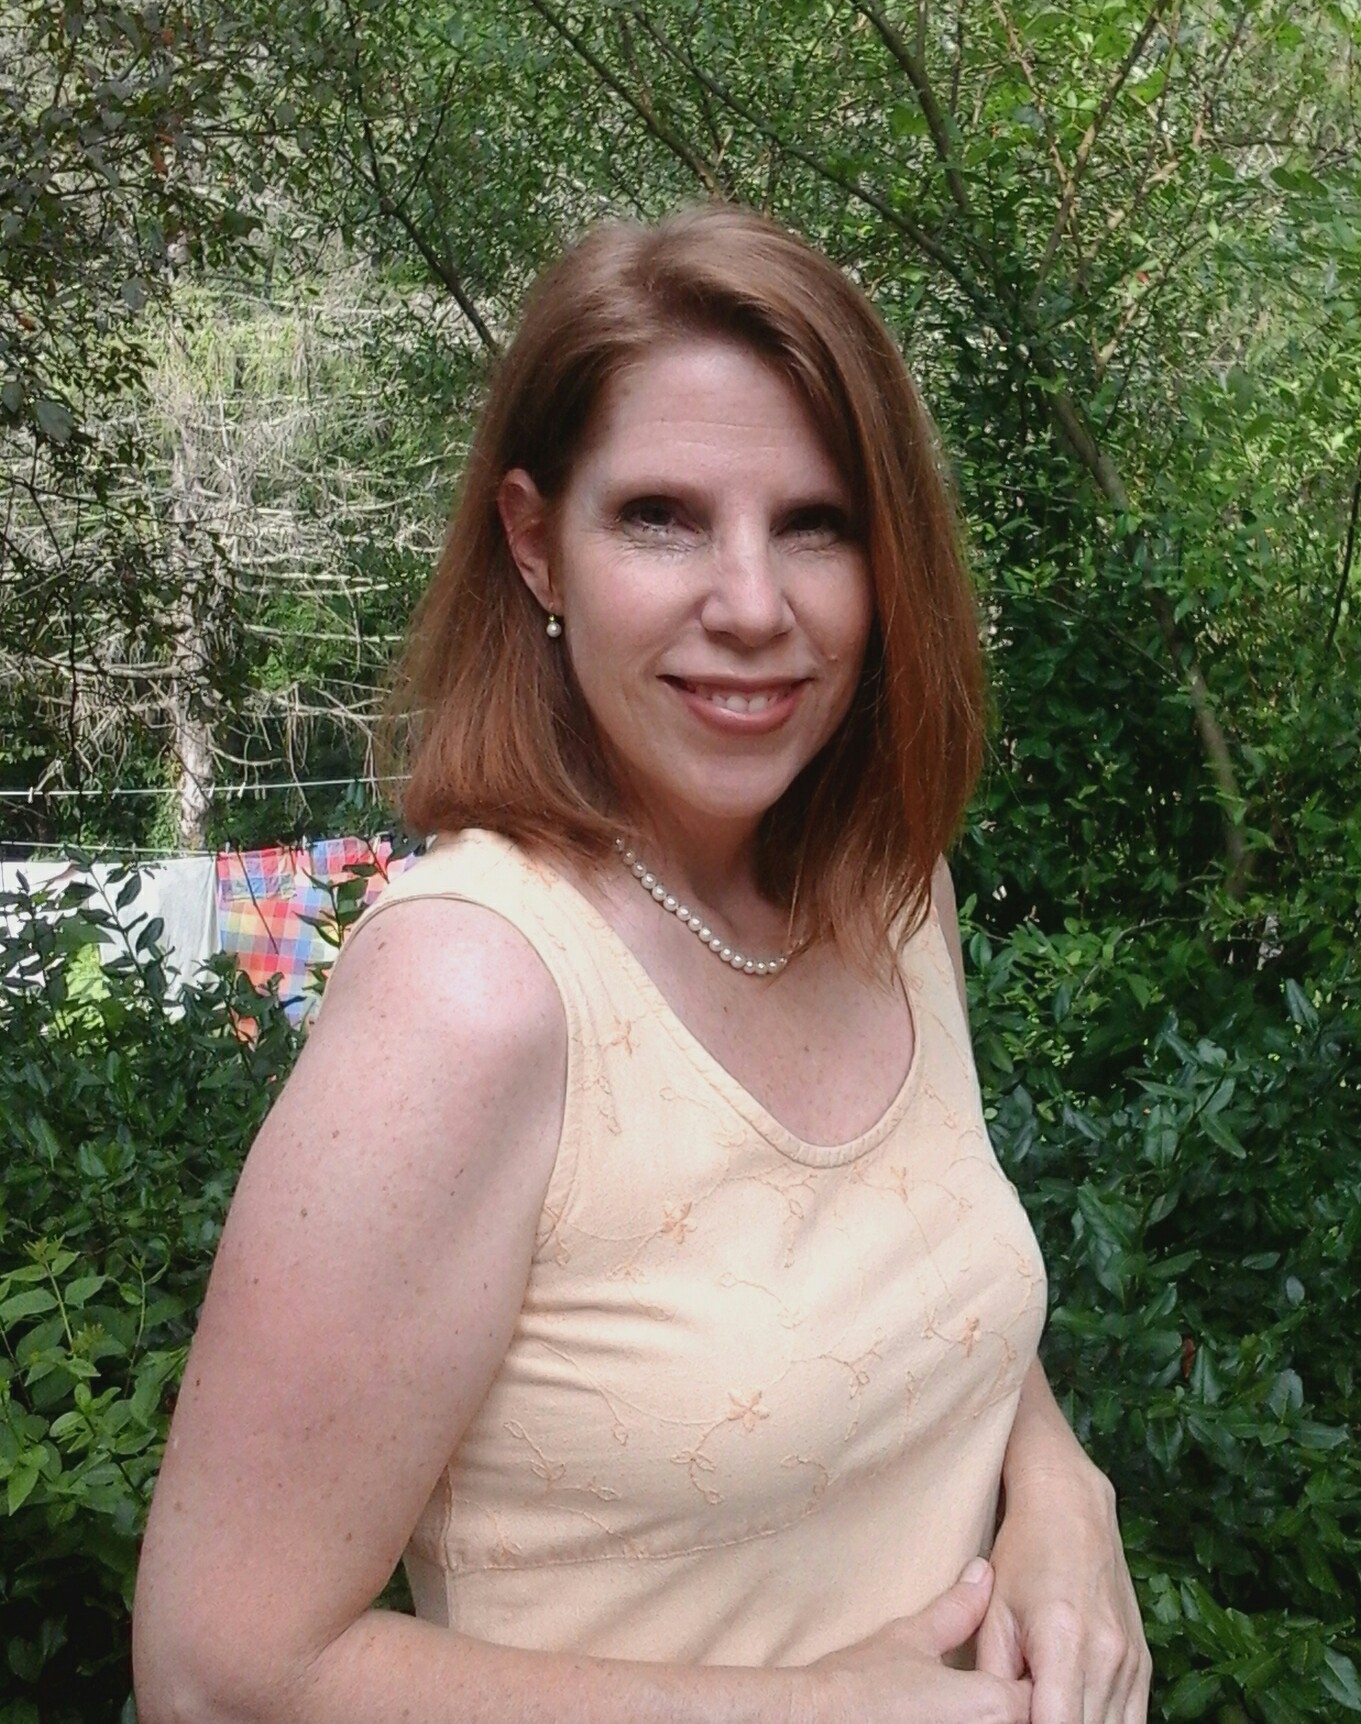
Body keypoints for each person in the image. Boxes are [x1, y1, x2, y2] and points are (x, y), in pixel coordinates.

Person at [133, 204, 1151, 1724]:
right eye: (663, 517)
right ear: (535, 542)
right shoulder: (473, 996)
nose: (751, 605)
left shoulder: (892, 904)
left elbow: (925, 1302)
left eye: (816, 523)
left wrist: (1061, 1489)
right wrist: (813, 1713)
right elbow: (218, 1670)